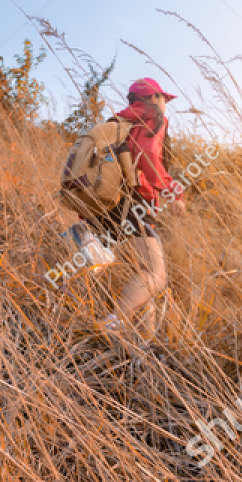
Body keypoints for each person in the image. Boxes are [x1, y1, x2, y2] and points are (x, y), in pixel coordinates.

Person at [90, 78, 184, 340]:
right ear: (153, 98)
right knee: (155, 275)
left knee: (140, 275)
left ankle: (145, 343)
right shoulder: (152, 117)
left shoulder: (117, 121)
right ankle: (112, 324)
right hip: (136, 201)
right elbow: (148, 157)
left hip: (107, 201)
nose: (165, 105)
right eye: (164, 98)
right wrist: (172, 192)